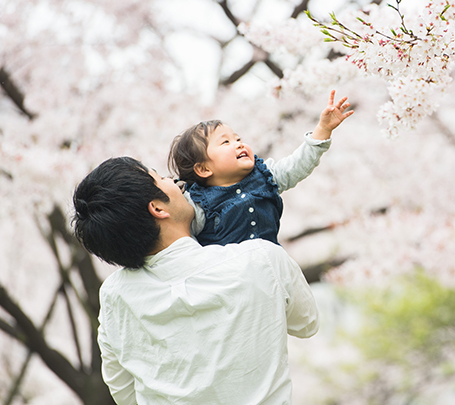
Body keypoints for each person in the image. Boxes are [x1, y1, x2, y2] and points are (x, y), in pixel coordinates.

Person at [72, 156, 319, 404]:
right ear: (158, 208)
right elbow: (306, 324)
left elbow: (124, 392)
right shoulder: (262, 259)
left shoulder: (115, 295)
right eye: (160, 178)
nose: (176, 181)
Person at [168, 90, 353, 246]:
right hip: (228, 278)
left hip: (270, 268)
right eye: (225, 142)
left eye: (238, 139)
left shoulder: (265, 176)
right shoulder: (196, 204)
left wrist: (323, 129)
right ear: (203, 169)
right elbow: (182, 244)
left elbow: (297, 164)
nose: (239, 144)